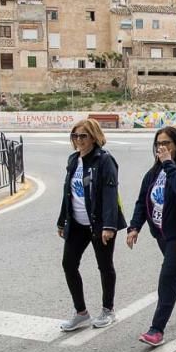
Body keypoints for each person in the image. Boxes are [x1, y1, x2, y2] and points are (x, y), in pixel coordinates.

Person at [127, 127, 176, 347]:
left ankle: (156, 329)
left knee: (168, 278)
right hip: (161, 234)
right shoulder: (152, 173)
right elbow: (142, 201)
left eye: (167, 144)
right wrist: (134, 227)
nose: (162, 148)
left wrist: (169, 163)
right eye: (158, 144)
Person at [58, 119, 127, 331]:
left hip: (99, 224)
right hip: (77, 222)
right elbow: (67, 193)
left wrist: (108, 226)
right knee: (68, 264)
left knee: (105, 266)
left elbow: (109, 193)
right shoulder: (73, 160)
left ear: (94, 137)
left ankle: (108, 310)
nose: (79, 140)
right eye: (75, 136)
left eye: (83, 136)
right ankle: (81, 313)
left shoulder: (104, 160)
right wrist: (62, 221)